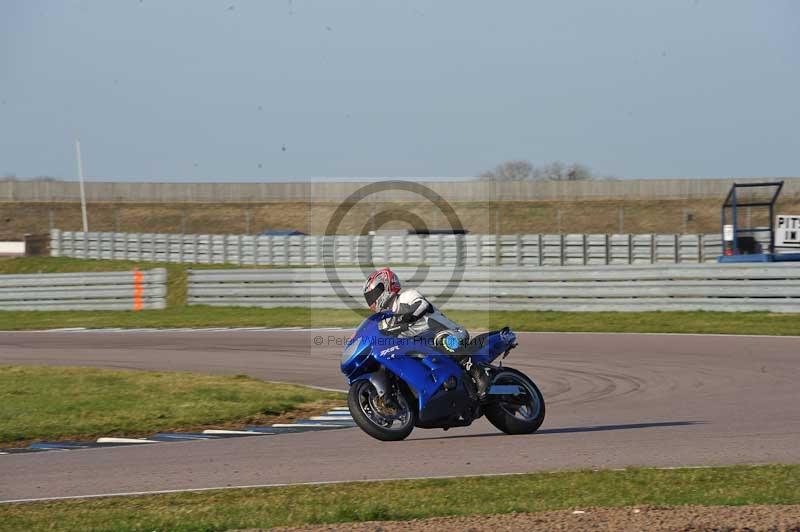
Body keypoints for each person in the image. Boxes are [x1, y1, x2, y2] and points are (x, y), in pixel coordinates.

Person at [362, 267, 489, 395]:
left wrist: (405, 317)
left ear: (386, 285)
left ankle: (479, 375)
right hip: (428, 346)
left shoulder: (406, 296)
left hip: (450, 332)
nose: (372, 299)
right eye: (370, 297)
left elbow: (422, 305)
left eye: (374, 294)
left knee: (441, 340)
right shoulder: (389, 318)